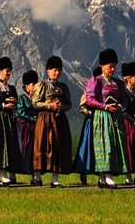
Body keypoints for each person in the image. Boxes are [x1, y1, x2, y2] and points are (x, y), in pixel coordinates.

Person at [85, 49, 129, 189]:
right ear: (102, 66)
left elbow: (125, 99)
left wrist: (119, 106)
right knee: (105, 145)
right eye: (109, 66)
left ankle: (103, 178)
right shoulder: (95, 81)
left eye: (114, 66)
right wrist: (104, 106)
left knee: (115, 145)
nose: (112, 69)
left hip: (115, 117)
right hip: (102, 117)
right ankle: (107, 176)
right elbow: (90, 100)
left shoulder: (119, 83)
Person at [32, 56, 72, 188]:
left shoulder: (63, 87)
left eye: (59, 70)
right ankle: (36, 177)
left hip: (60, 121)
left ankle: (55, 179)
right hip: (45, 120)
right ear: (48, 71)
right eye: (54, 70)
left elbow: (69, 104)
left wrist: (61, 106)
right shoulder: (41, 85)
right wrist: (49, 105)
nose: (57, 73)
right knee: (42, 146)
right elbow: (35, 103)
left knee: (58, 148)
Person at [0, 57, 21, 186]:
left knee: (7, 145)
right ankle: (4, 175)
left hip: (8, 119)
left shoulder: (12, 88)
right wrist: (3, 106)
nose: (9, 73)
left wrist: (12, 106)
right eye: (7, 70)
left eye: (10, 70)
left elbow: (16, 102)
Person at [73, 66, 101, 185]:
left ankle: (101, 175)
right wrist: (92, 113)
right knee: (87, 146)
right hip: (91, 121)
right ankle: (83, 170)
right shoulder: (89, 89)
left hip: (102, 121)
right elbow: (82, 107)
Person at [17, 70, 39, 185]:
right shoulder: (22, 98)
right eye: (32, 84)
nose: (34, 86)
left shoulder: (38, 99)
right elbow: (21, 112)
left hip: (37, 128)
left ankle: (36, 175)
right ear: (26, 86)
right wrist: (35, 119)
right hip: (25, 129)